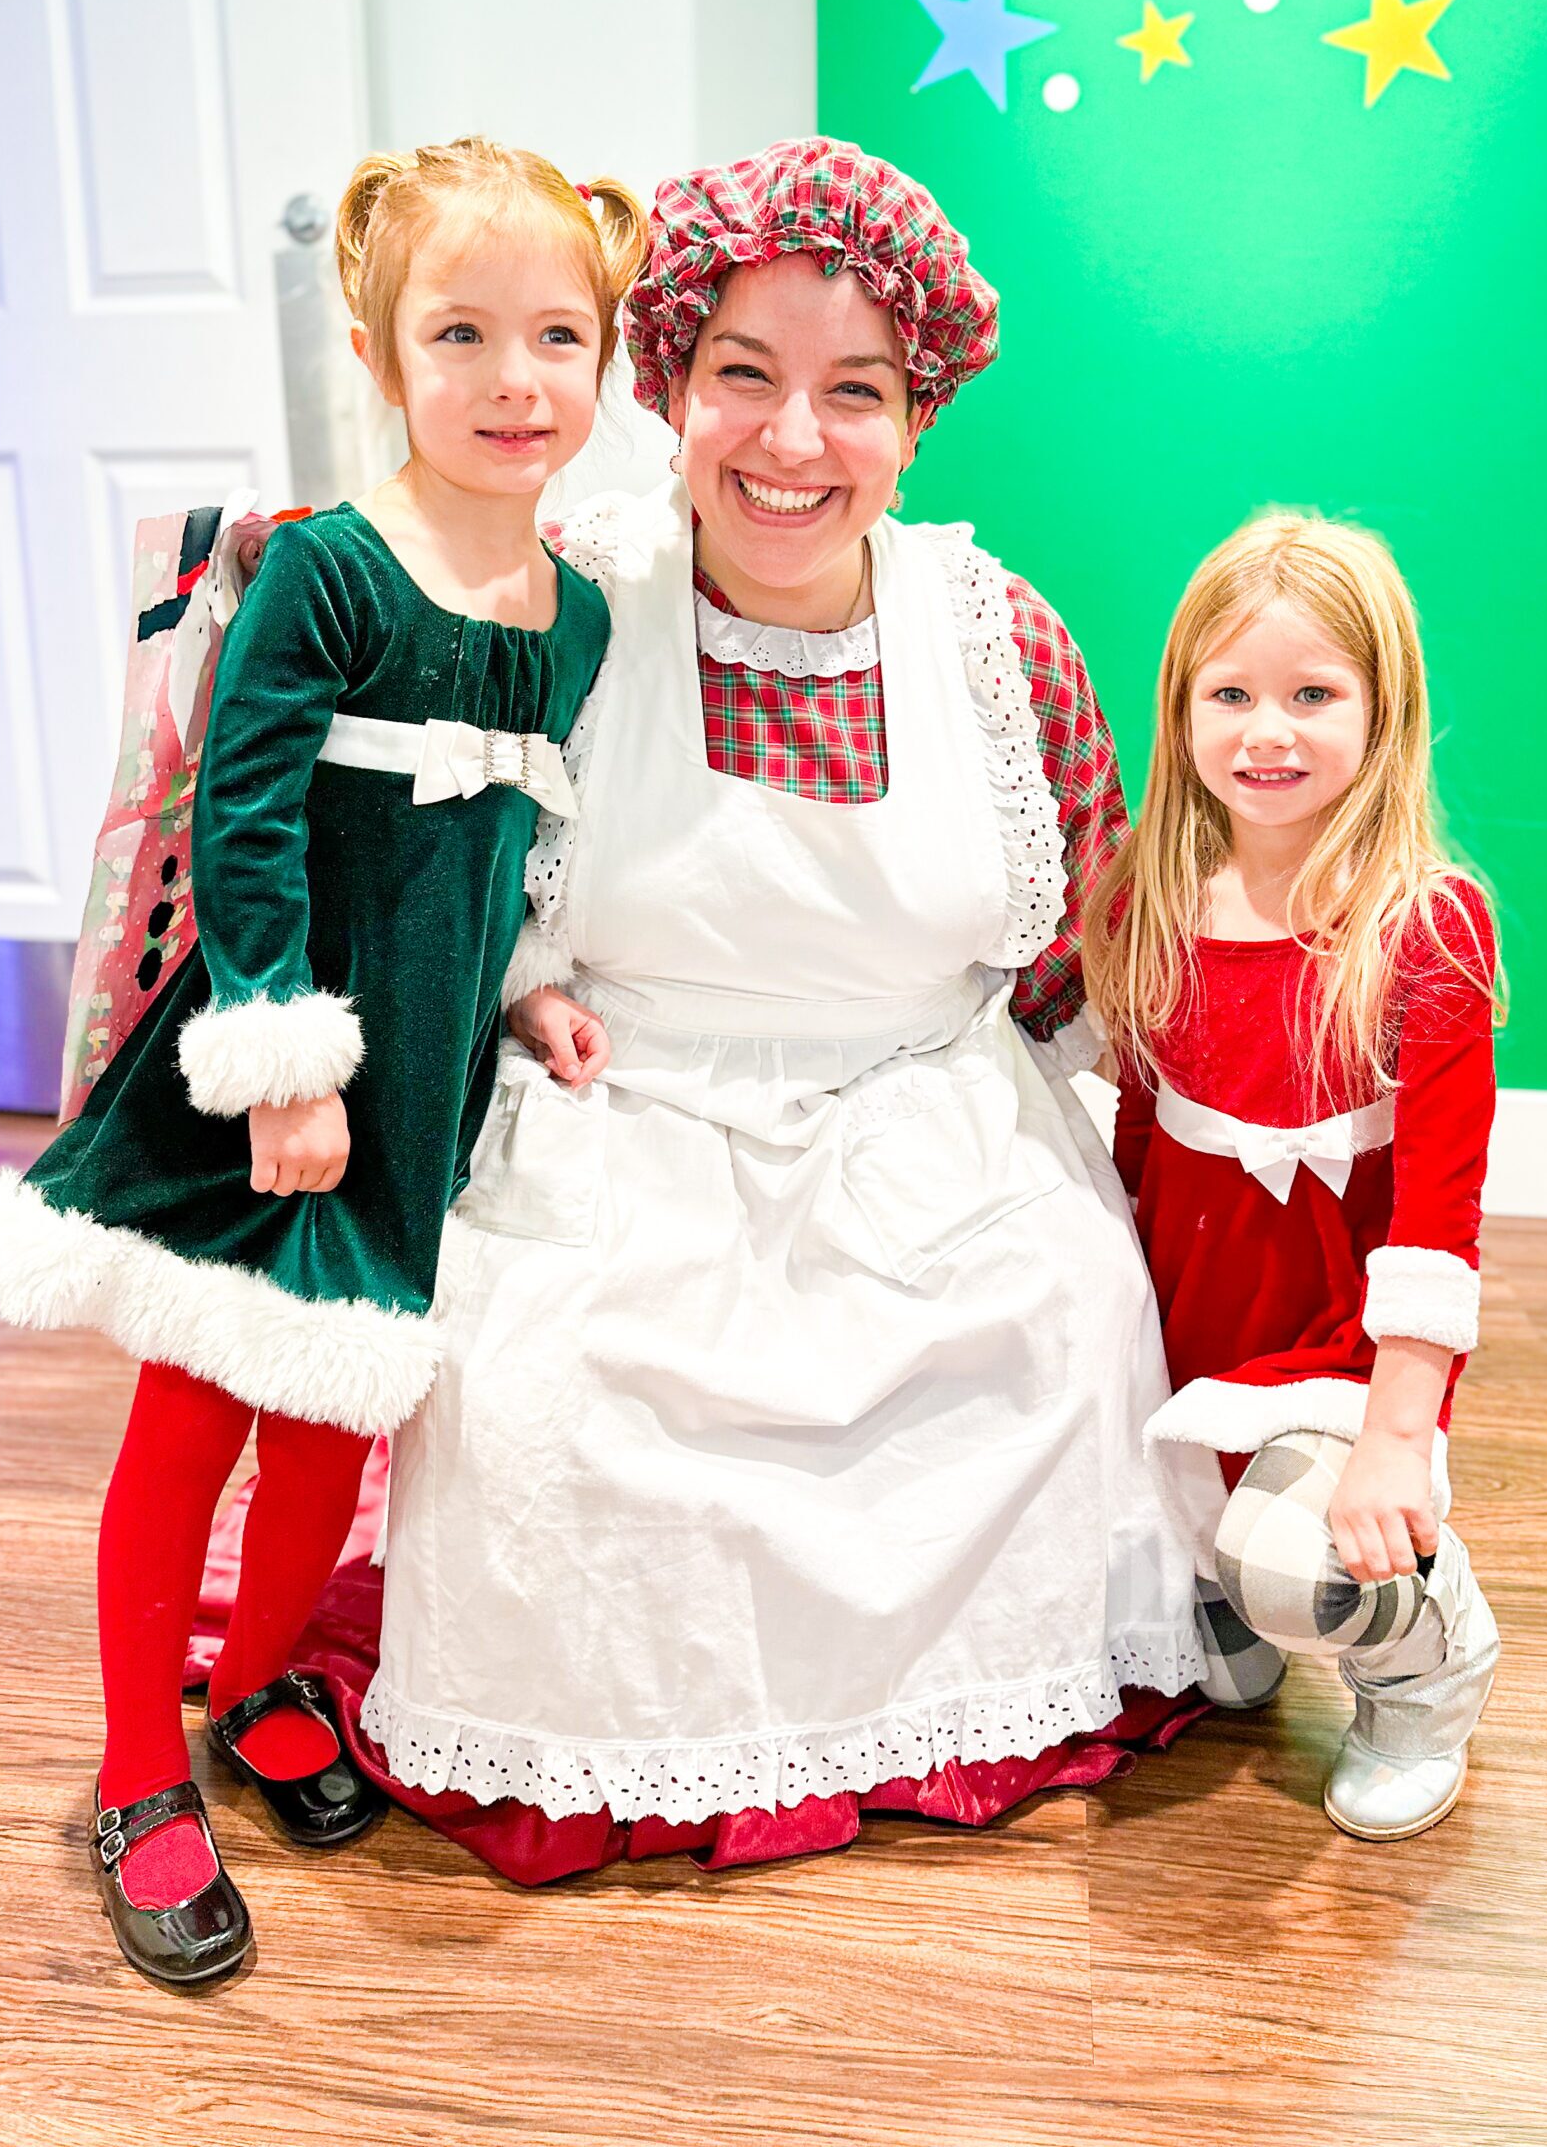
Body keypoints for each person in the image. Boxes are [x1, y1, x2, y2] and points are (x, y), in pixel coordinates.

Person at [360, 137, 1204, 1882]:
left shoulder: (996, 641)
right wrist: (518, 991)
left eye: (858, 393)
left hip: (923, 1139)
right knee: (534, 1402)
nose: (795, 442)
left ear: (920, 416)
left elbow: (1084, 962)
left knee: (1062, 1321)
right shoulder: (568, 596)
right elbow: (433, 875)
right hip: (631, 1127)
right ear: (667, 383)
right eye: (743, 376)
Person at [0, 138, 643, 1980]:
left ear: (607, 357)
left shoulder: (572, 616)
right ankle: (132, 1769)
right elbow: (243, 817)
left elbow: (515, 848)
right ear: (377, 353)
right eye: (464, 335)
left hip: (423, 1082)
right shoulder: (331, 578)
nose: (517, 380)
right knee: (199, 1405)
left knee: (342, 1400)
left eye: (560, 336)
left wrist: (520, 994)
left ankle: (262, 1681)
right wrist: (280, 1056)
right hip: (275, 1075)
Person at [1086, 513, 1502, 1841]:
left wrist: (1395, 1439)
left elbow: (1442, 1215)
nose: (1269, 735)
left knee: (1305, 1561)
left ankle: (1431, 1670)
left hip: (1339, 1340)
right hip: (1199, 1314)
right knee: (1180, 1605)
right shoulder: (1151, 898)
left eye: (1314, 695)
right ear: (1184, 709)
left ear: (1383, 710)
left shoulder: (1422, 924)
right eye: (1233, 696)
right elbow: (1140, 1148)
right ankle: (1244, 1584)